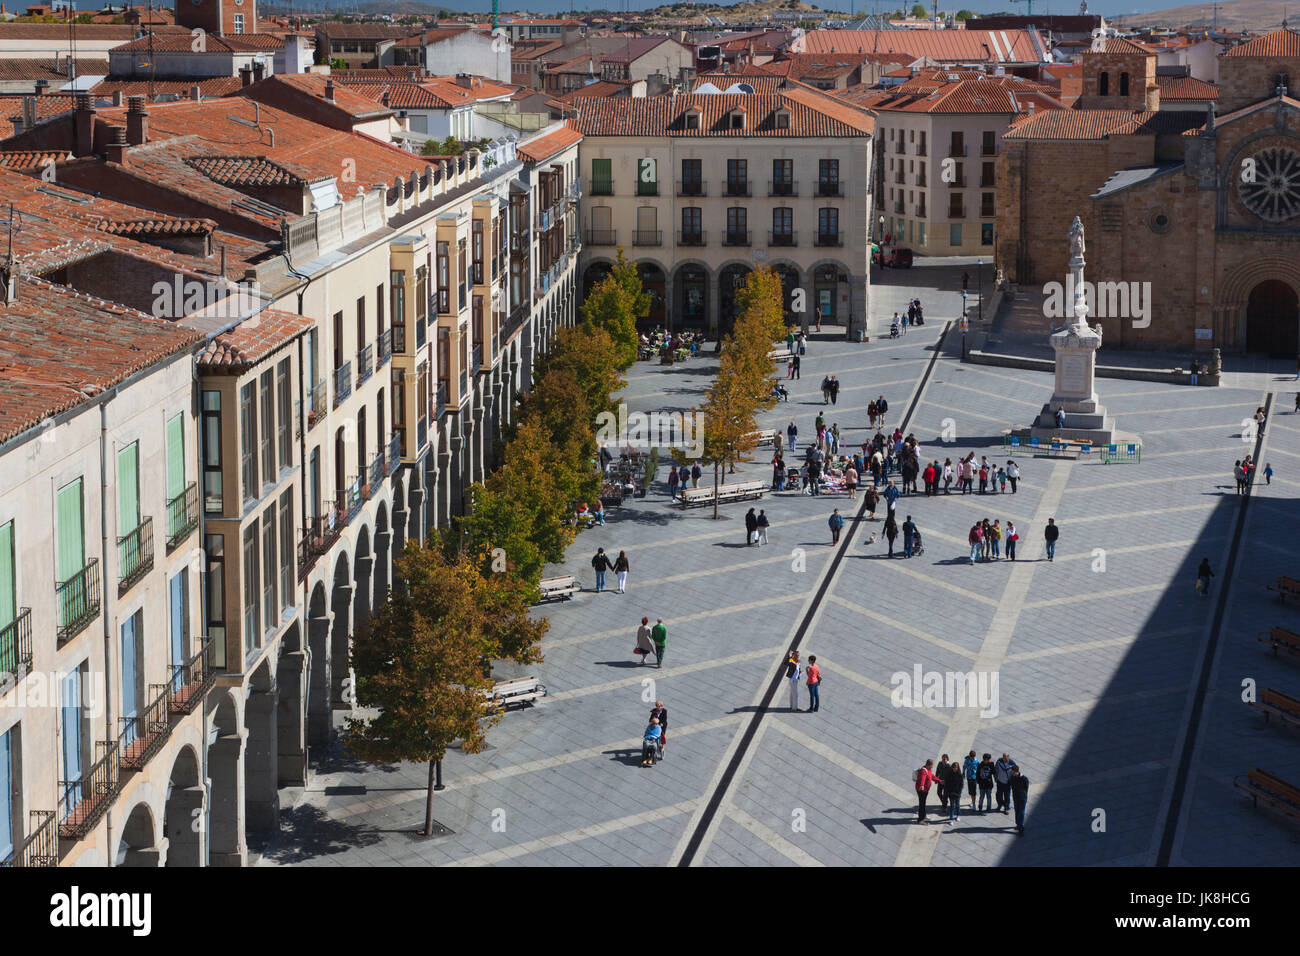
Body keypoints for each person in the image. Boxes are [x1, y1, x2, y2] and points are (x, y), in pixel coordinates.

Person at [914, 759, 938, 823]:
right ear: (928, 765)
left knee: (923, 804)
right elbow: (923, 778)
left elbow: (931, 776)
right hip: (922, 791)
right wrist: (922, 785)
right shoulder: (923, 771)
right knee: (921, 805)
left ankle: (924, 816)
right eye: (931, 766)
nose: (932, 767)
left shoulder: (928, 769)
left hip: (925, 790)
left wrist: (939, 780)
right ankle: (920, 820)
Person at [1010, 766, 1030, 834]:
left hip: (1022, 798)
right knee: (1017, 811)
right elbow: (1012, 786)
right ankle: (1018, 824)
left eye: (1012, 772)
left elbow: (1026, 788)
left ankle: (1021, 827)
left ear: (1016, 771)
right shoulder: (1013, 777)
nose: (1012, 773)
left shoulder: (1024, 779)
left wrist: (1024, 796)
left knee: (1021, 812)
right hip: (1015, 797)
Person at [945, 759, 965, 823]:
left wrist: (959, 792)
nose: (955, 769)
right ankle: (951, 819)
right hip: (951, 793)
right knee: (952, 806)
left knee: (957, 805)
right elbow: (947, 783)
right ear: (952, 767)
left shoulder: (960, 775)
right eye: (954, 767)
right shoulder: (949, 774)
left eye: (956, 767)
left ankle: (958, 815)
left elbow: (961, 785)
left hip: (957, 793)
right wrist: (948, 792)